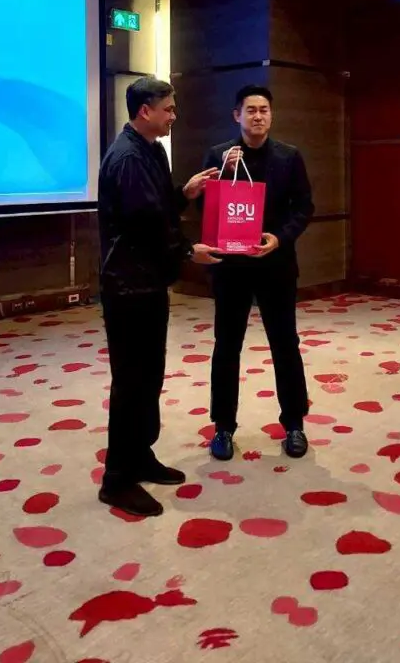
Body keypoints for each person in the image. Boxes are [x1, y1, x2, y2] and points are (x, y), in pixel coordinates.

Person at [98, 76, 221, 517]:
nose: (174, 116)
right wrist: (187, 252)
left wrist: (184, 195)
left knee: (149, 376)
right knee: (131, 381)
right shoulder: (128, 157)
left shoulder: (152, 150)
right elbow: (143, 225)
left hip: (149, 282)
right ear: (145, 111)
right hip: (127, 287)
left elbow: (158, 209)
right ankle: (116, 479)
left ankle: (139, 455)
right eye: (168, 109)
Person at [202, 84, 313, 462]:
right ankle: (223, 427)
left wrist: (279, 238)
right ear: (237, 115)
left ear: (272, 115)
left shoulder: (289, 156)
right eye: (250, 110)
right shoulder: (219, 156)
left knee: (285, 344)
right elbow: (206, 209)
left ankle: (294, 424)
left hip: (275, 265)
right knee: (226, 346)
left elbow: (304, 207)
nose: (258, 116)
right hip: (231, 268)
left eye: (264, 110)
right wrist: (224, 175)